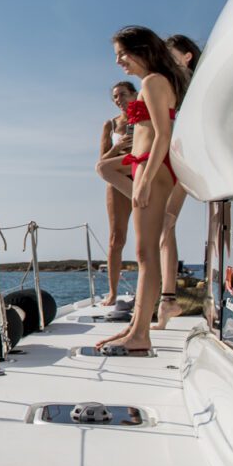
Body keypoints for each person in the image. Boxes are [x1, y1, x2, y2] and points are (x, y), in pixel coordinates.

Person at [95, 26, 188, 354]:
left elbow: (163, 133)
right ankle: (136, 328)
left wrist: (145, 180)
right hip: (145, 163)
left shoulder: (153, 82)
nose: (119, 60)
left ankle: (139, 334)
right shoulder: (159, 80)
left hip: (153, 167)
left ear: (141, 50)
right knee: (144, 253)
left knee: (146, 255)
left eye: (122, 53)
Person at [151, 35, 203, 329]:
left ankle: (168, 300)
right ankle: (167, 301)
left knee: (165, 223)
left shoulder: (196, 89)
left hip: (188, 160)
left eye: (171, 55)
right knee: (165, 226)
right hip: (178, 160)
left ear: (187, 57)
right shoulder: (179, 90)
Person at [98, 81, 136, 305]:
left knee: (152, 236)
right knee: (116, 238)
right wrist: (118, 147)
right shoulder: (110, 125)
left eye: (123, 94)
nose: (119, 99)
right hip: (116, 180)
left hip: (140, 175)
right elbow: (102, 161)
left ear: (134, 95)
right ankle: (112, 293)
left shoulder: (145, 117)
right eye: (115, 97)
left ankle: (156, 290)